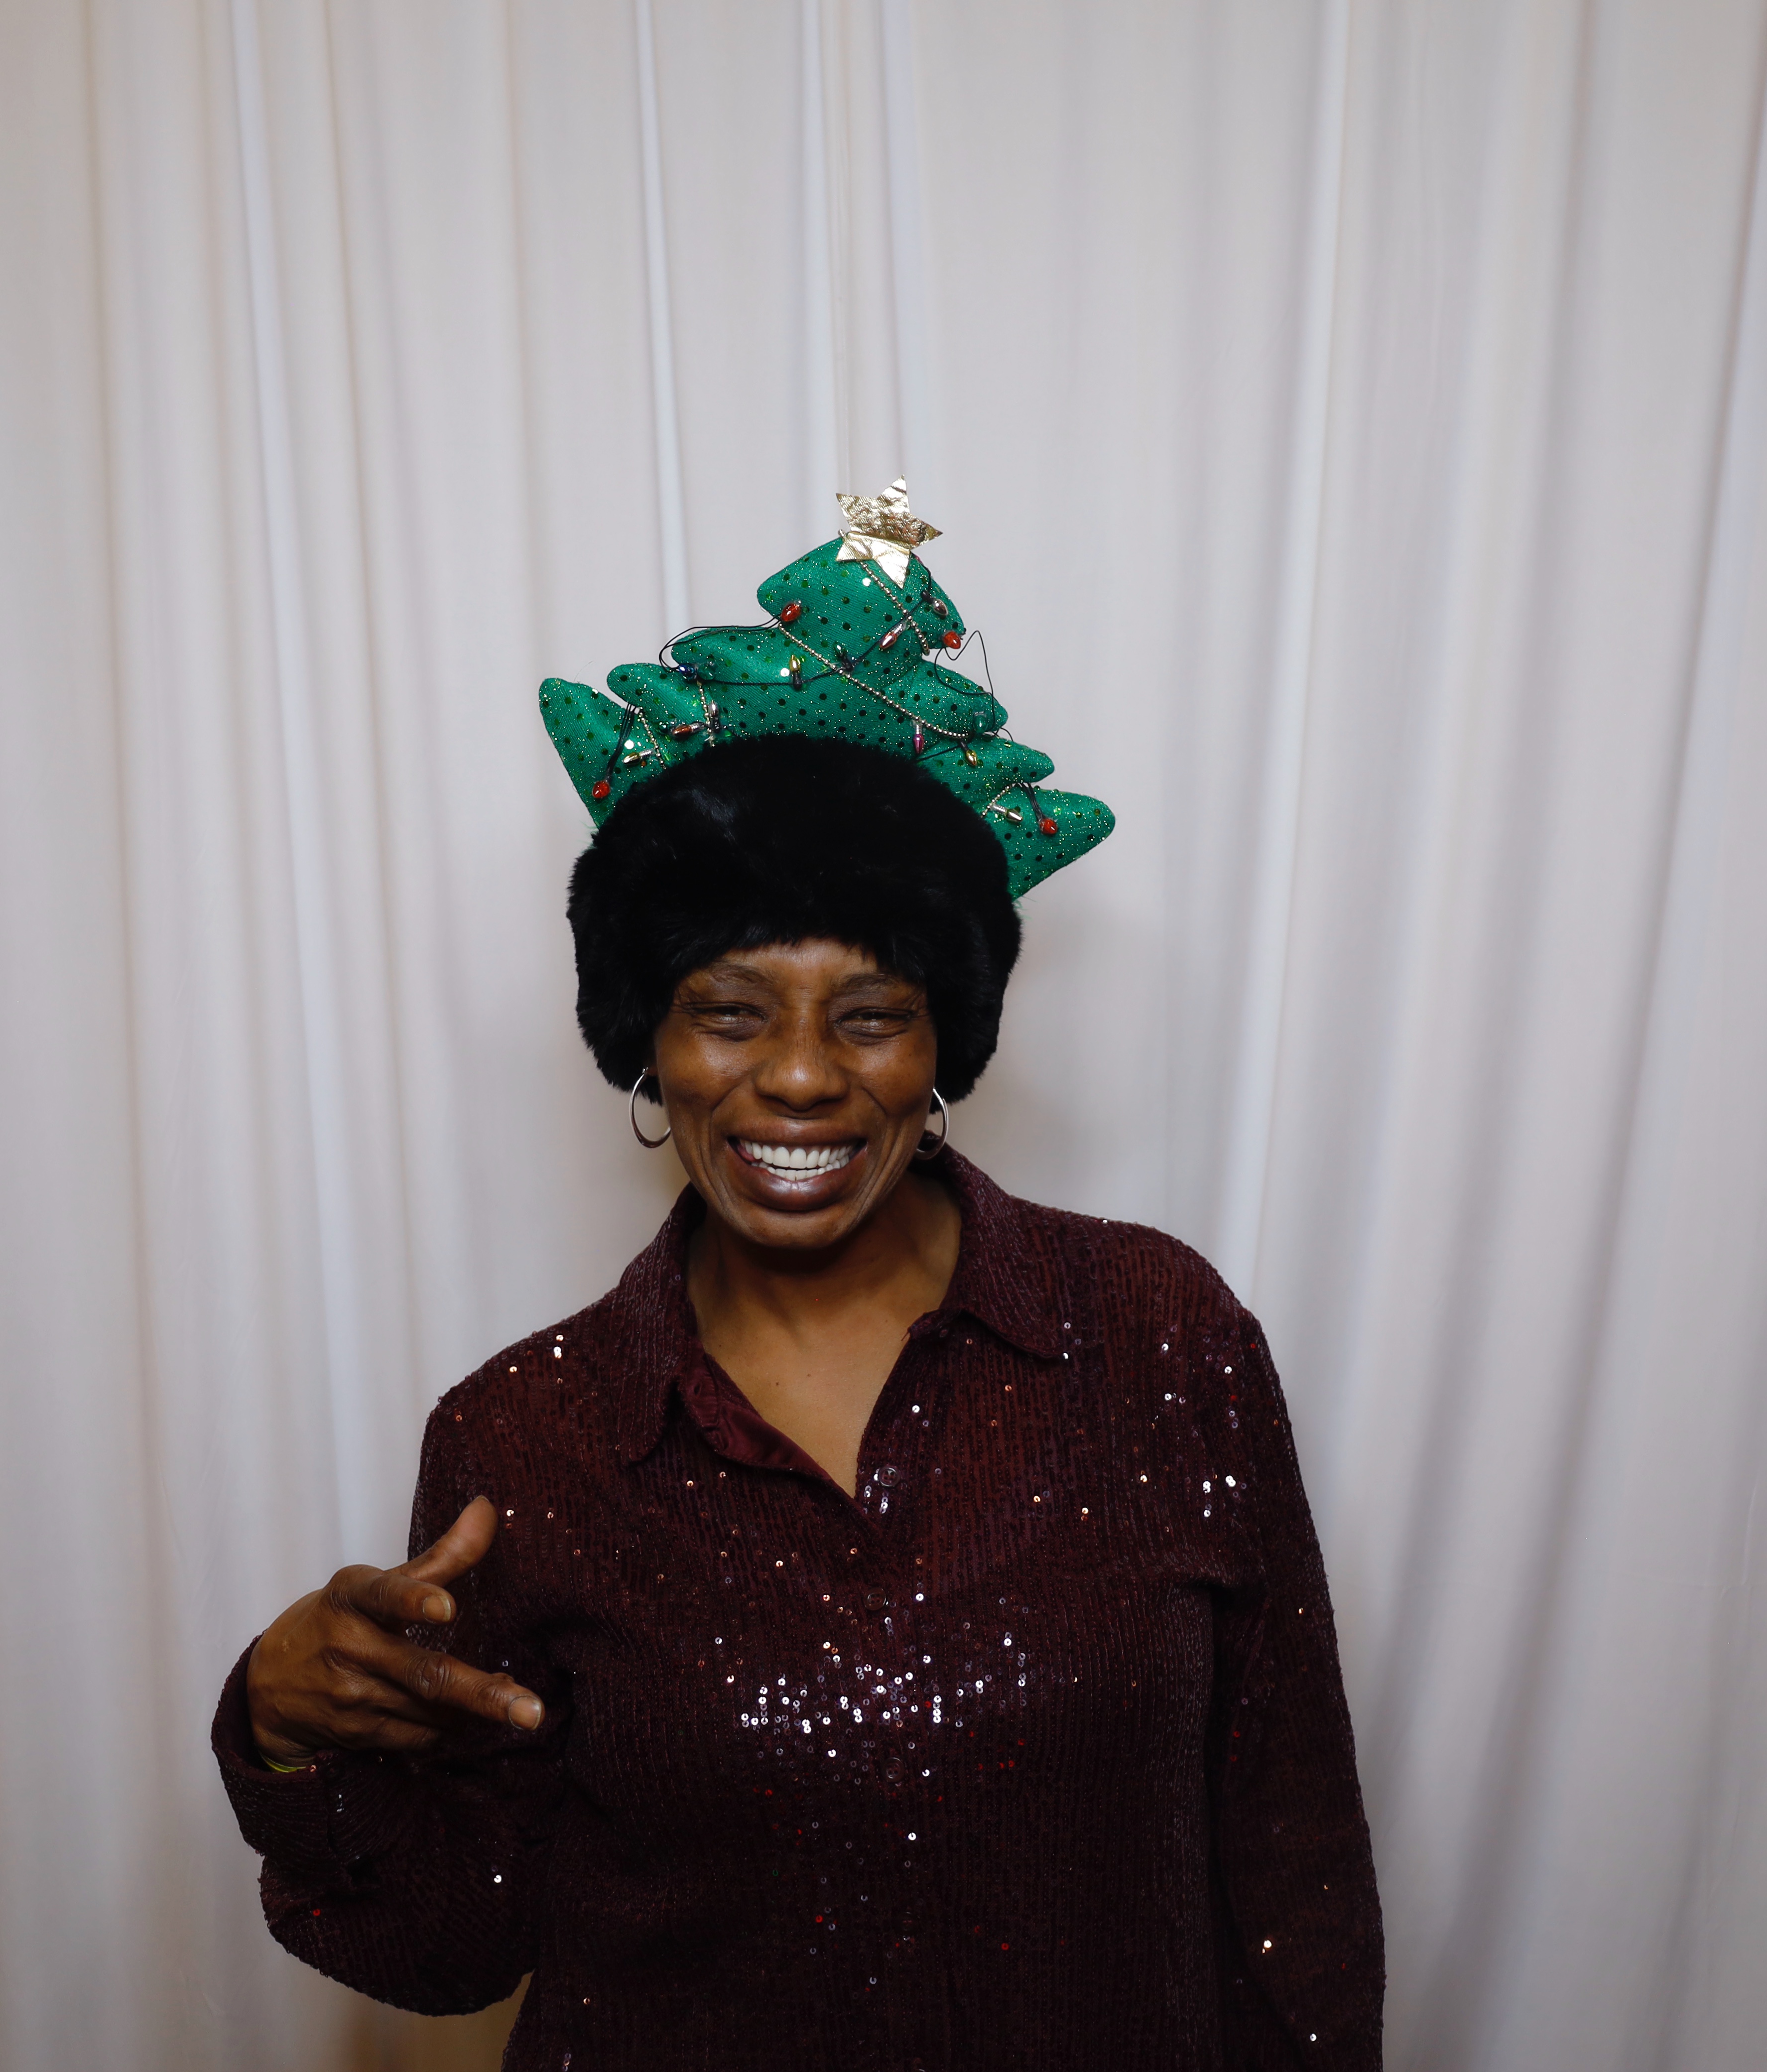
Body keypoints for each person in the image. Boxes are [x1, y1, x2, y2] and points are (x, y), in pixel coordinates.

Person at [213, 488, 1383, 2067]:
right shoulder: (526, 1441)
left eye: (874, 1015)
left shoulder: (1158, 1339)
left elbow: (1294, 1857)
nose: (804, 1077)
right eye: (729, 1011)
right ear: (646, 1038)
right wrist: (283, 1740)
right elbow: (453, 1942)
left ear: (945, 1041)